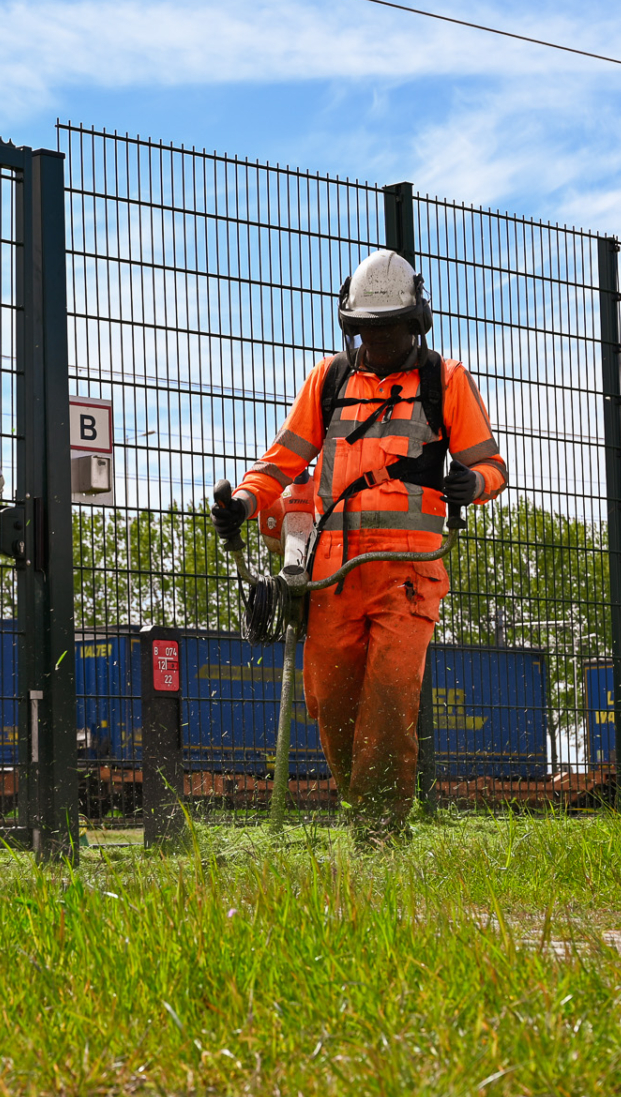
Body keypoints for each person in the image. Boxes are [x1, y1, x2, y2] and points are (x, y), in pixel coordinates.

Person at [212, 250, 507, 845]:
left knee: (389, 705)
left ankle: (380, 836)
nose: (377, 341)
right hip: (333, 572)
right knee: (332, 704)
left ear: (415, 322)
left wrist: (472, 483)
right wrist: (243, 502)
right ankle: (361, 812)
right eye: (367, 330)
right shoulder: (328, 380)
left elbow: (491, 466)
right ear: (351, 326)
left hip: (408, 574)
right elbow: (283, 459)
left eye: (388, 329)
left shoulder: (444, 380)